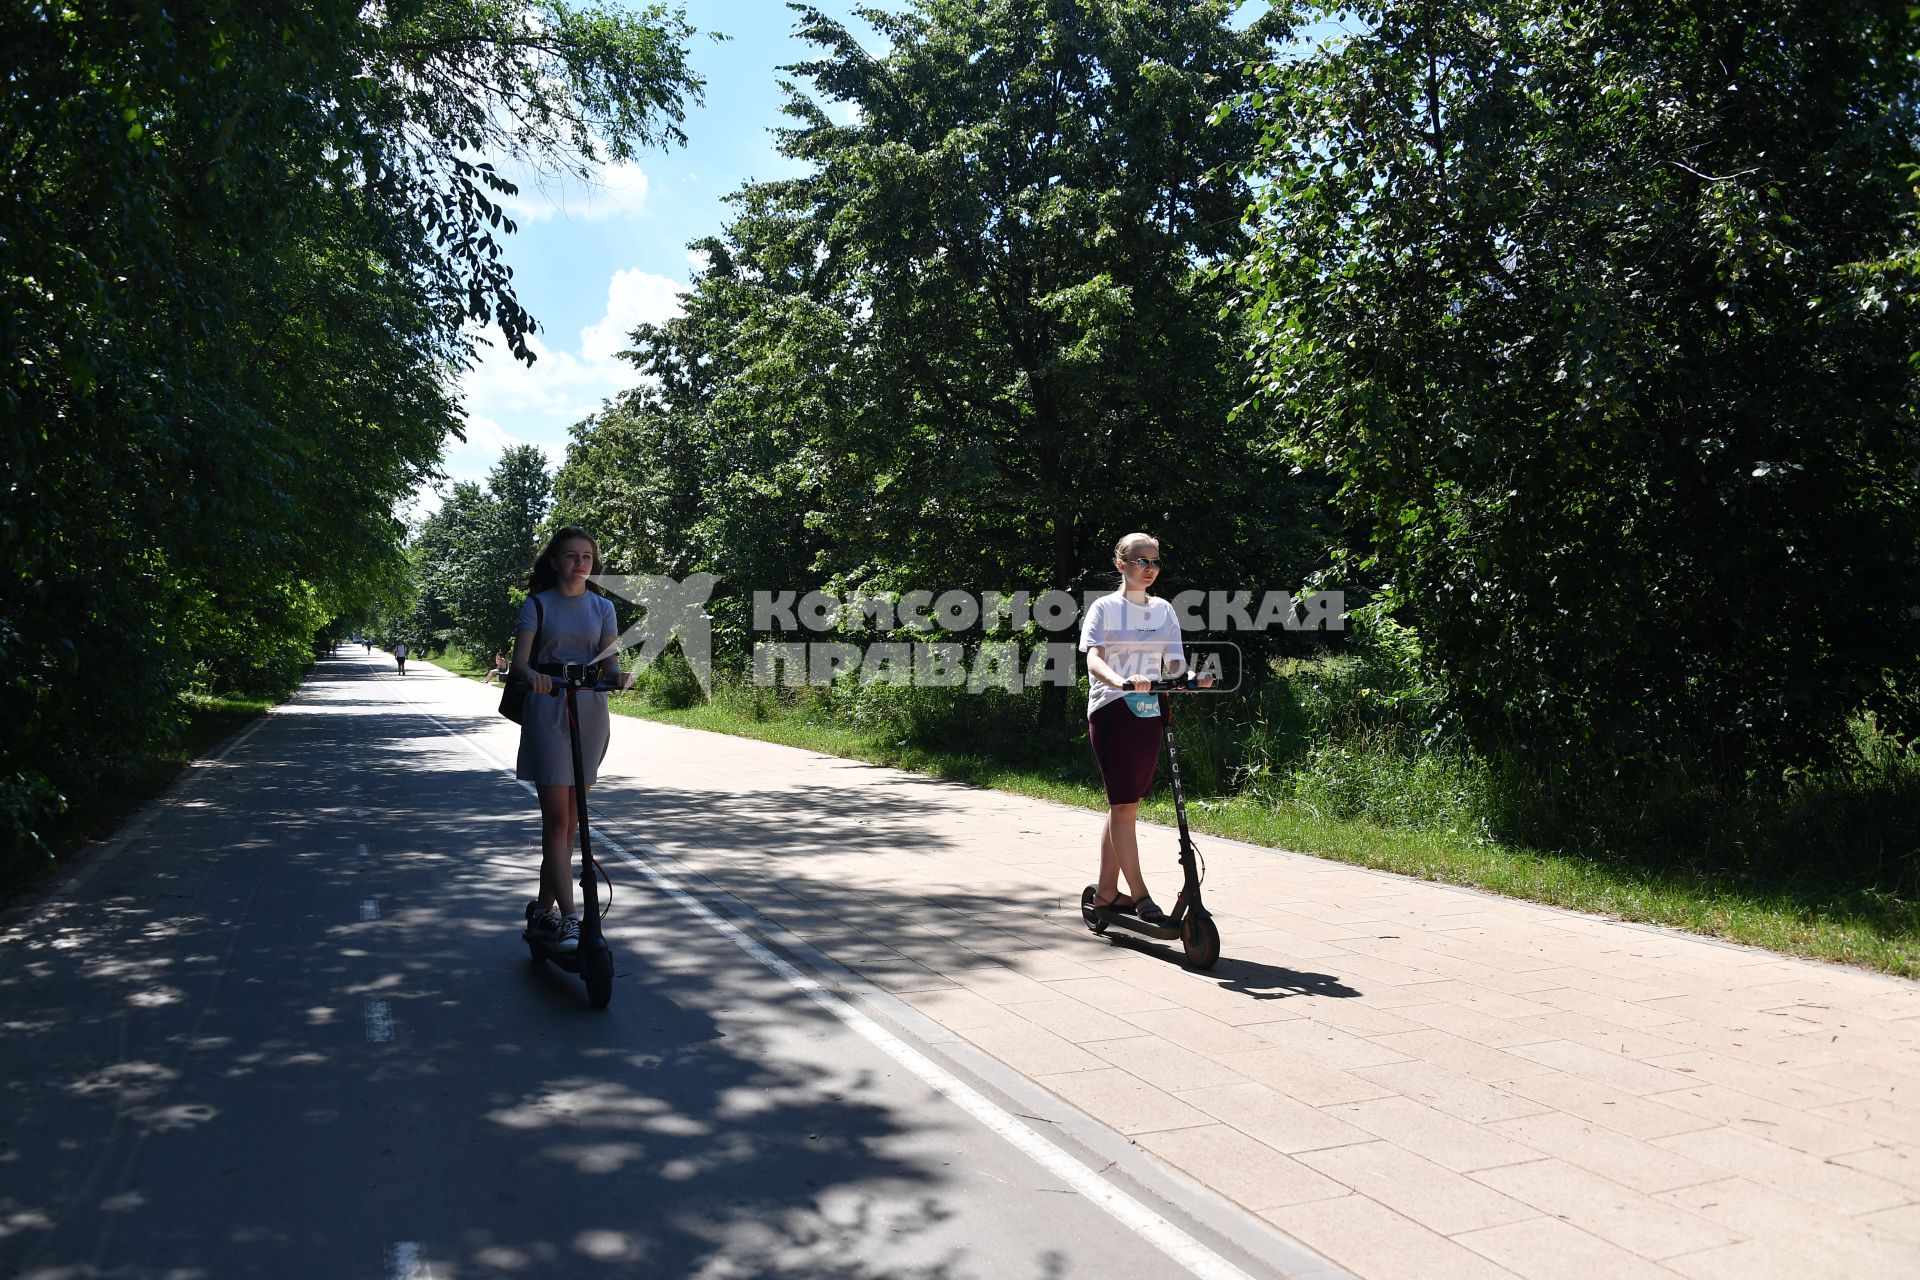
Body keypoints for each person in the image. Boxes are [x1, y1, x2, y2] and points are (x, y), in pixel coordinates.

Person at [513, 527, 634, 951]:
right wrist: (536, 679)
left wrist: (620, 678)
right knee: (558, 823)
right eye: (570, 555)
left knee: (575, 824)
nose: (579, 562)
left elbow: (609, 663)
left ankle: (543, 909)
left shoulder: (602, 607)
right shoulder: (537, 605)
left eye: (587, 556)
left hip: (588, 710)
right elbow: (520, 665)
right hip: (547, 710)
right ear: (554, 561)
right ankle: (570, 918)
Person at [1077, 531, 1201, 925]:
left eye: (1156, 562)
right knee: (1124, 804)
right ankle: (1141, 895)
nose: (1150, 569)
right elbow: (1093, 658)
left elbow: (1175, 663)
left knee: (1125, 805)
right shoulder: (1105, 608)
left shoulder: (1163, 609)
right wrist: (1118, 679)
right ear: (1122, 565)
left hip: (1150, 710)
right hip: (1113, 707)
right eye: (1142, 561)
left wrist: (1192, 677)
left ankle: (1106, 893)